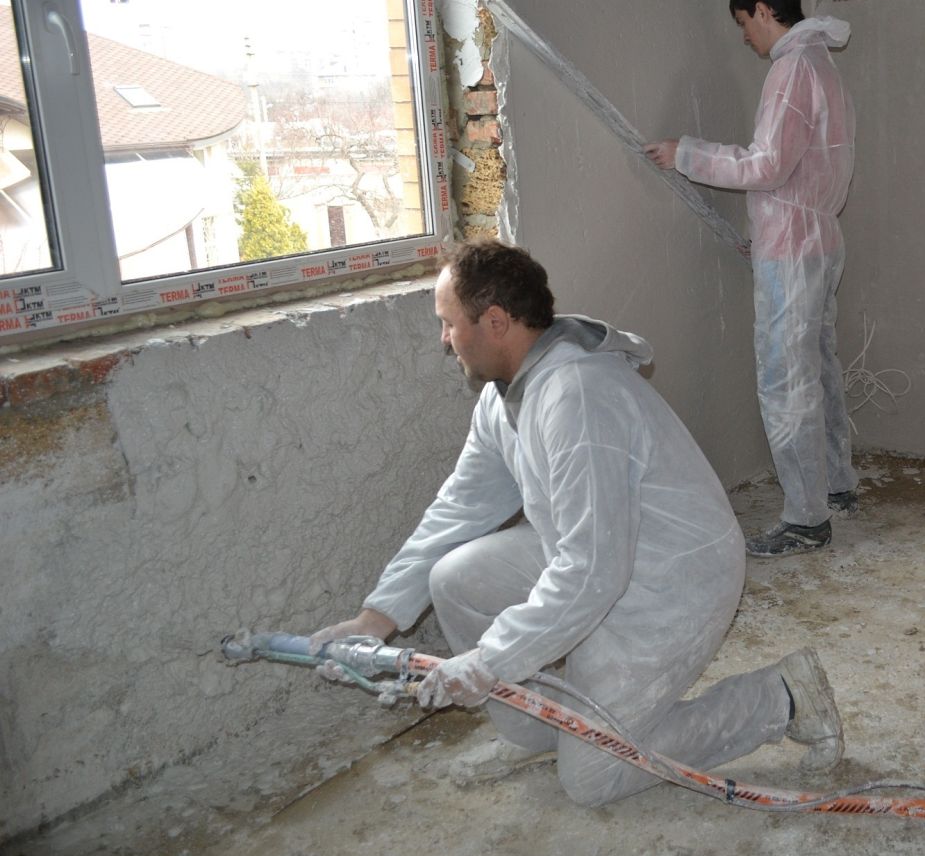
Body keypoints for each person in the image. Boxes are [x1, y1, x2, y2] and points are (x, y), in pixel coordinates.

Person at [311, 239, 844, 805]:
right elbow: (458, 509)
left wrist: (489, 662)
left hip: (670, 582)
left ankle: (780, 698)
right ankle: (541, 732)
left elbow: (593, 574)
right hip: (601, 555)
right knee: (455, 578)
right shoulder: (504, 399)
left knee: (593, 779)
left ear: (495, 322)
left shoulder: (579, 397)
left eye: (448, 323)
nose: (444, 339)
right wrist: (374, 619)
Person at [644, 0, 857, 558]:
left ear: (764, 10)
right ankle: (836, 485)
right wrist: (763, 234)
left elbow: (768, 165)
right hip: (817, 239)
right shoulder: (822, 65)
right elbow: (807, 167)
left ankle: (806, 520)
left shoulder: (791, 69)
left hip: (794, 249)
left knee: (786, 381)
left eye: (744, 22)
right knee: (818, 370)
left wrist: (686, 153)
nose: (744, 36)